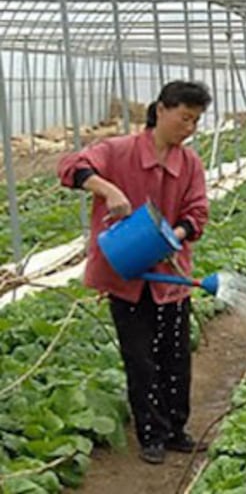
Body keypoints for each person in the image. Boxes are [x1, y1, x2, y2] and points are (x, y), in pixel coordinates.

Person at [58, 81, 212, 464]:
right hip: (125, 277)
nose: (190, 127)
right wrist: (107, 190)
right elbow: (70, 167)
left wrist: (172, 235)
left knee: (175, 357)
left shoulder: (189, 163)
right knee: (140, 357)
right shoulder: (117, 150)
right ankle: (151, 435)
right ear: (161, 110)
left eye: (196, 120)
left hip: (170, 278)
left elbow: (197, 213)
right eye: (185, 117)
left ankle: (176, 429)